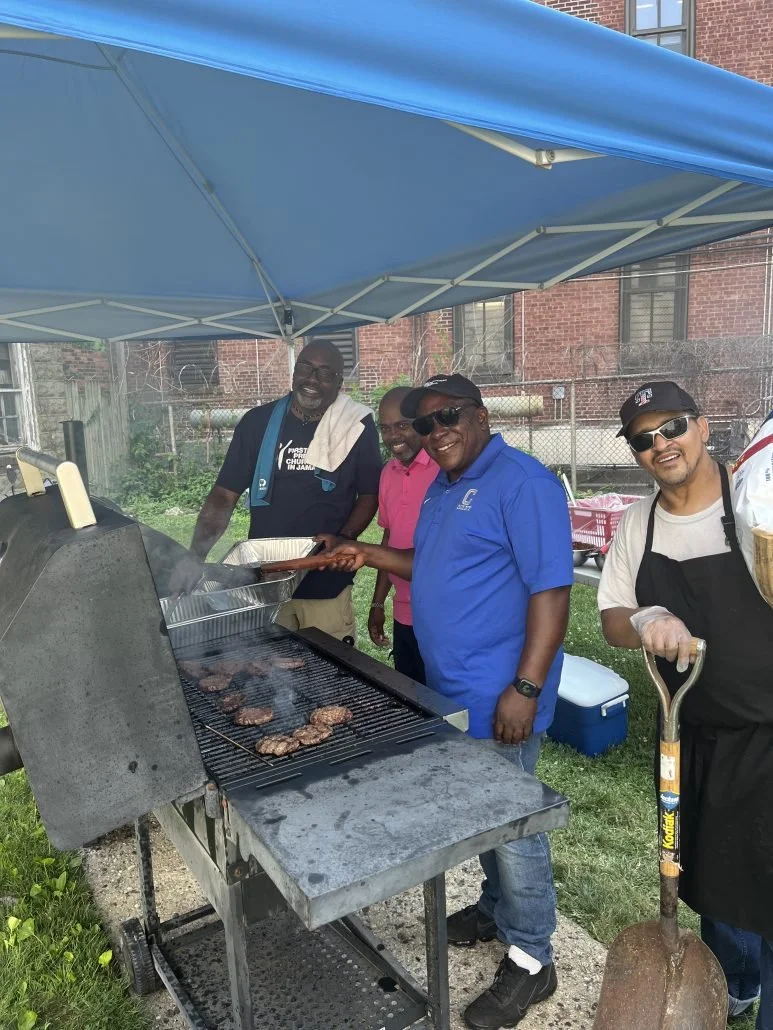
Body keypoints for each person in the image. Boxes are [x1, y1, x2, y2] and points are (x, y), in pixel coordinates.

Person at [318, 373, 573, 1030]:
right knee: (479, 811)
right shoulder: (444, 485)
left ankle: (531, 957)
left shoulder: (523, 484)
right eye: (423, 424)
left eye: (447, 417)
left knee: (513, 826)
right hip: (449, 687)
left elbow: (551, 593)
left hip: (499, 693)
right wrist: (365, 551)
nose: (434, 433)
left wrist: (524, 688)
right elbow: (425, 565)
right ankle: (495, 909)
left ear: (481, 415)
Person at [597, 380, 773, 1028]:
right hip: (689, 733)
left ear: (701, 426)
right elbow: (611, 614)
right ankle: (731, 983)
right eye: (642, 439)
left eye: (670, 427)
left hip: (767, 731)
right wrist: (645, 616)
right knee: (709, 883)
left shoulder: (757, 499)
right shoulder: (636, 523)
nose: (659, 444)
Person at [190, 340, 382, 640]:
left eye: (325, 373)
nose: (312, 379)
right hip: (264, 580)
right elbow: (224, 495)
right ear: (294, 371)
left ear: (338, 383)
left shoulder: (356, 427)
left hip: (325, 581)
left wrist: (343, 541)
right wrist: (194, 556)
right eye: (305, 367)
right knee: (270, 670)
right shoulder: (257, 423)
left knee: (331, 674)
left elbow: (369, 495)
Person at [368, 386, 439, 682]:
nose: (392, 436)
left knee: (445, 706)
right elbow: (389, 539)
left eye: (402, 425)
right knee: (411, 697)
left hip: (440, 615)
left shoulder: (444, 469)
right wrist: (377, 603)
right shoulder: (387, 473)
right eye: (385, 428)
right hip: (403, 612)